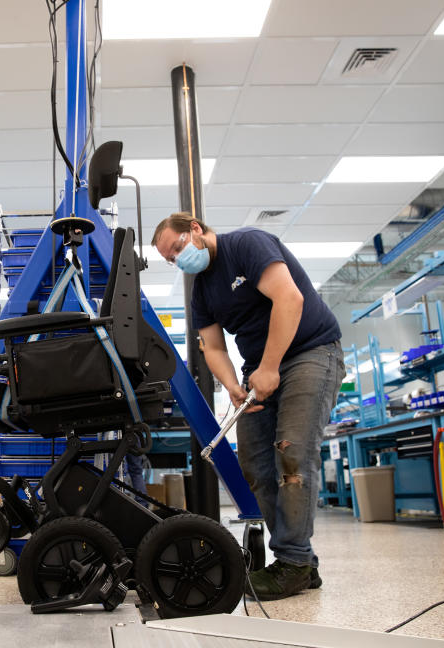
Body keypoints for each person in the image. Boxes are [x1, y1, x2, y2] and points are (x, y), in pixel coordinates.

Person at [152, 212, 345, 601]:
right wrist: (233, 388)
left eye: (176, 248)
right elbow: (214, 347)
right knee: (255, 466)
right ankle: (302, 562)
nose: (178, 260)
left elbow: (289, 299)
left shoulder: (248, 244)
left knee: (292, 453)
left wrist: (270, 367)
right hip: (259, 370)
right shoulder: (202, 291)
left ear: (194, 228)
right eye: (170, 260)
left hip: (311, 353)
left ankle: (292, 563)